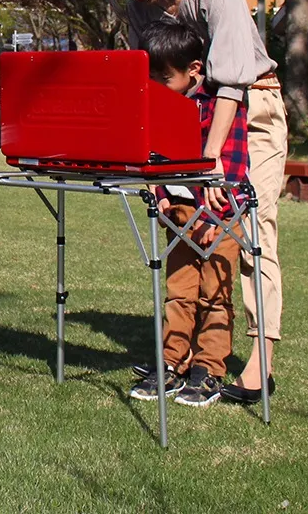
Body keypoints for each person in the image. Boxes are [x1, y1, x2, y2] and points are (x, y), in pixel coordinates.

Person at [98, 0, 287, 402]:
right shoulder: (141, 11)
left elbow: (230, 82)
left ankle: (258, 366)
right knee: (184, 228)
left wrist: (211, 160)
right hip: (190, 118)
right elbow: (155, 85)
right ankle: (181, 355)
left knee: (249, 230)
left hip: (249, 110)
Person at [129, 21, 248, 406]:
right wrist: (160, 194)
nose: (157, 85)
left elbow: (232, 164)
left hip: (218, 217)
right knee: (179, 293)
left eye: (165, 77)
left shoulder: (223, 107)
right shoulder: (159, 104)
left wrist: (219, 218)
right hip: (179, 214)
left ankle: (210, 368)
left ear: (195, 69)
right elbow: (154, 155)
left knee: (215, 294)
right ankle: (171, 361)